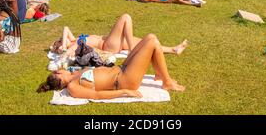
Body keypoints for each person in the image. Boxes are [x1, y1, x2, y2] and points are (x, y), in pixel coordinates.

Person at [38, 34, 186, 97]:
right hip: (124, 80)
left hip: (121, 69)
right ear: (58, 75)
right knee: (152, 42)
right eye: (59, 71)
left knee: (150, 38)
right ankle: (167, 82)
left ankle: (161, 74)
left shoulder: (74, 73)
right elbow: (97, 95)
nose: (61, 69)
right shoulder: (73, 87)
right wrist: (125, 92)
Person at [51, 14, 188, 57]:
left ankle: (173, 49)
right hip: (108, 45)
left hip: (112, 42)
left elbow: (66, 28)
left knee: (146, 42)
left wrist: (63, 42)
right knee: (126, 18)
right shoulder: (73, 47)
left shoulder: (73, 40)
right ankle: (131, 51)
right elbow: (66, 53)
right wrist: (63, 48)